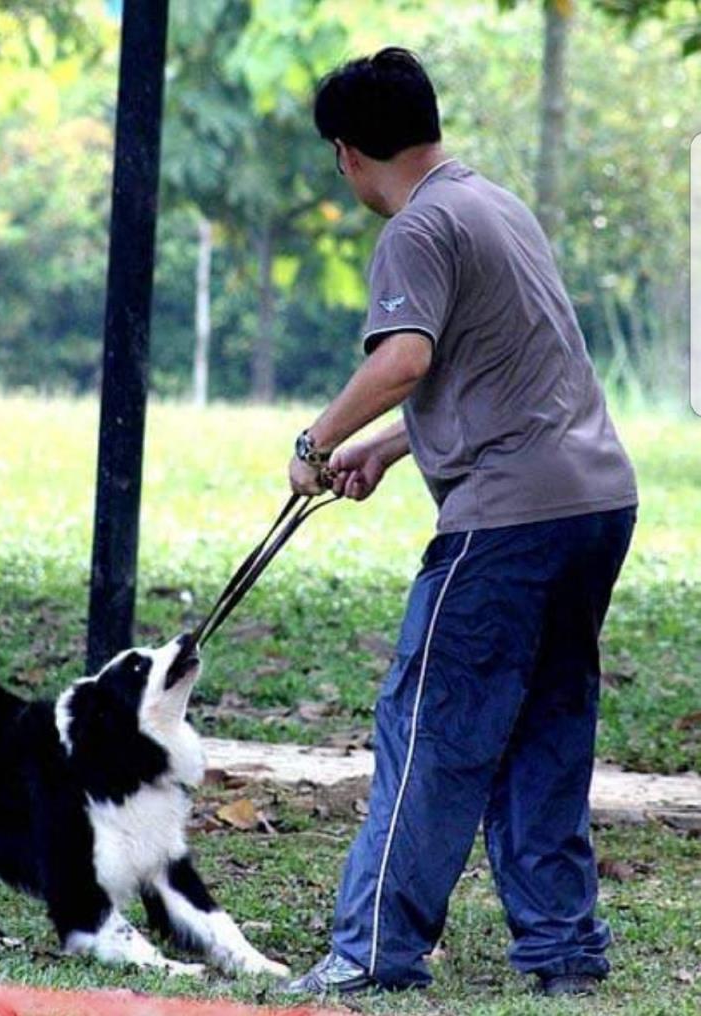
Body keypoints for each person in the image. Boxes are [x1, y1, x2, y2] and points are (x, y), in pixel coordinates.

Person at [283, 47, 638, 999]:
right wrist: (394, 449)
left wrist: (318, 441)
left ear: (349, 153)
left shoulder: (416, 229)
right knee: (545, 730)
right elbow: (496, 365)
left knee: (431, 731)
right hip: (595, 502)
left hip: (506, 521)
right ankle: (564, 954)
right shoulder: (494, 206)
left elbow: (404, 358)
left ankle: (370, 955)